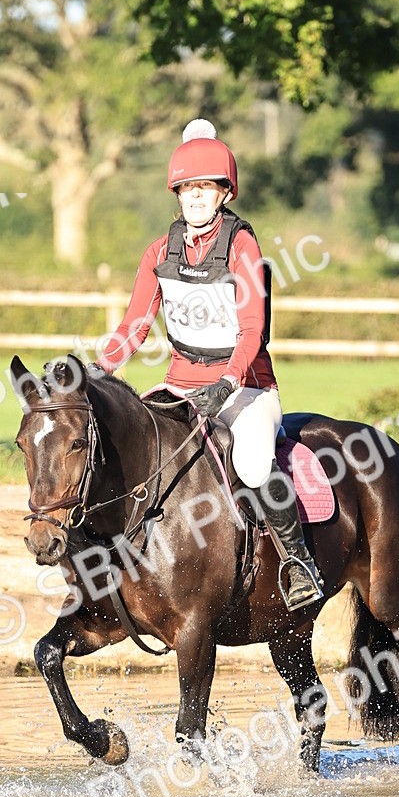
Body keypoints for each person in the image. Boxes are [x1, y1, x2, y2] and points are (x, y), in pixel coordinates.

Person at [94, 119, 323, 611]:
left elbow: (252, 330)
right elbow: (136, 324)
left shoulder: (243, 248)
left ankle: (297, 560)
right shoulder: (159, 252)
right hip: (180, 384)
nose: (196, 198)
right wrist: (98, 371)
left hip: (247, 388)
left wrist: (228, 381)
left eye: (206, 188)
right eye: (187, 189)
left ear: (224, 193)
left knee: (254, 463)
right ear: (176, 195)